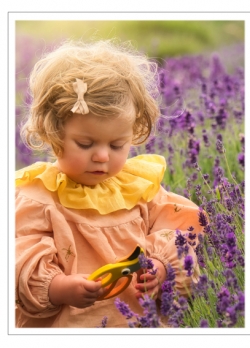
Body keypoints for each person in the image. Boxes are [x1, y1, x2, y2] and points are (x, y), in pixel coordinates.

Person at [15, 40, 204, 327]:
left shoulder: (137, 188)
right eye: (85, 143)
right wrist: (58, 287)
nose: (102, 156)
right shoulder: (39, 197)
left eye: (117, 145)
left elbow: (179, 231)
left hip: (139, 325)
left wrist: (161, 268)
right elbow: (17, 258)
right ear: (53, 134)